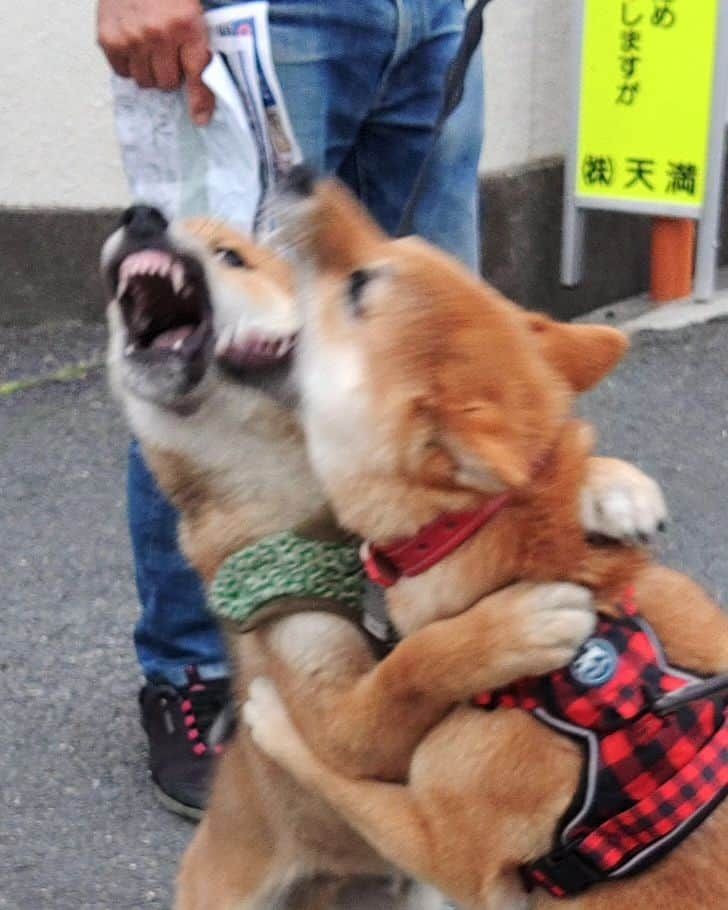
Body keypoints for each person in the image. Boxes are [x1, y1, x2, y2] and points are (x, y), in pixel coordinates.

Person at [97, 0, 484, 819]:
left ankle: (404, 662)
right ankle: (199, 675)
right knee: (203, 342)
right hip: (264, 15)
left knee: (427, 343)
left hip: (439, 14)